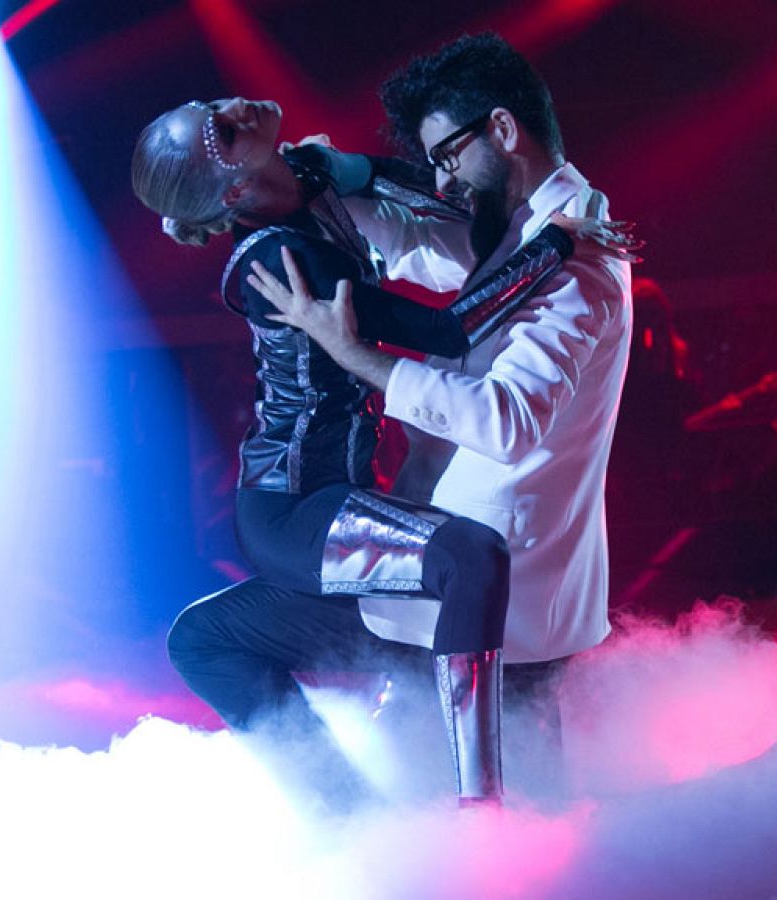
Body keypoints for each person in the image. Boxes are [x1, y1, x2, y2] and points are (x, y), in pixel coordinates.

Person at [133, 98, 631, 807]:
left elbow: (421, 184)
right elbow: (450, 332)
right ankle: (456, 810)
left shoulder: (304, 169)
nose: (237, 107)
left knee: (204, 637)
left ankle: (381, 805)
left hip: (350, 492)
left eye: (216, 104)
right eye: (225, 131)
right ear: (234, 190)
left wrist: (356, 168)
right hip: (298, 510)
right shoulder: (280, 259)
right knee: (469, 558)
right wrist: (556, 242)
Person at [251, 32, 635, 777]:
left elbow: (505, 420)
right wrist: (318, 184)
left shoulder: (578, 260)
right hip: (465, 586)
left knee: (505, 837)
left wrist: (357, 355)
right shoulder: (524, 229)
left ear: (501, 130)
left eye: (448, 157)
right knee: (485, 824)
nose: (443, 179)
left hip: (505, 592)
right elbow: (416, 240)